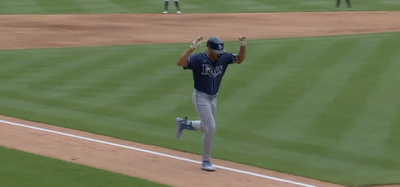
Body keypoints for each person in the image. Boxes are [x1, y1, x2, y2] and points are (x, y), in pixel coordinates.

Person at [174, 36, 247, 171]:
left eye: (219, 52)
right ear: (208, 49)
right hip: (200, 97)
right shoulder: (198, 59)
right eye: (215, 52)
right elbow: (180, 63)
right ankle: (206, 160)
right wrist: (192, 48)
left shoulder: (223, 57)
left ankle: (183, 124)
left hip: (214, 98)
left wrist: (242, 45)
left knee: (204, 126)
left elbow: (240, 59)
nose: (217, 56)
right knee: (211, 127)